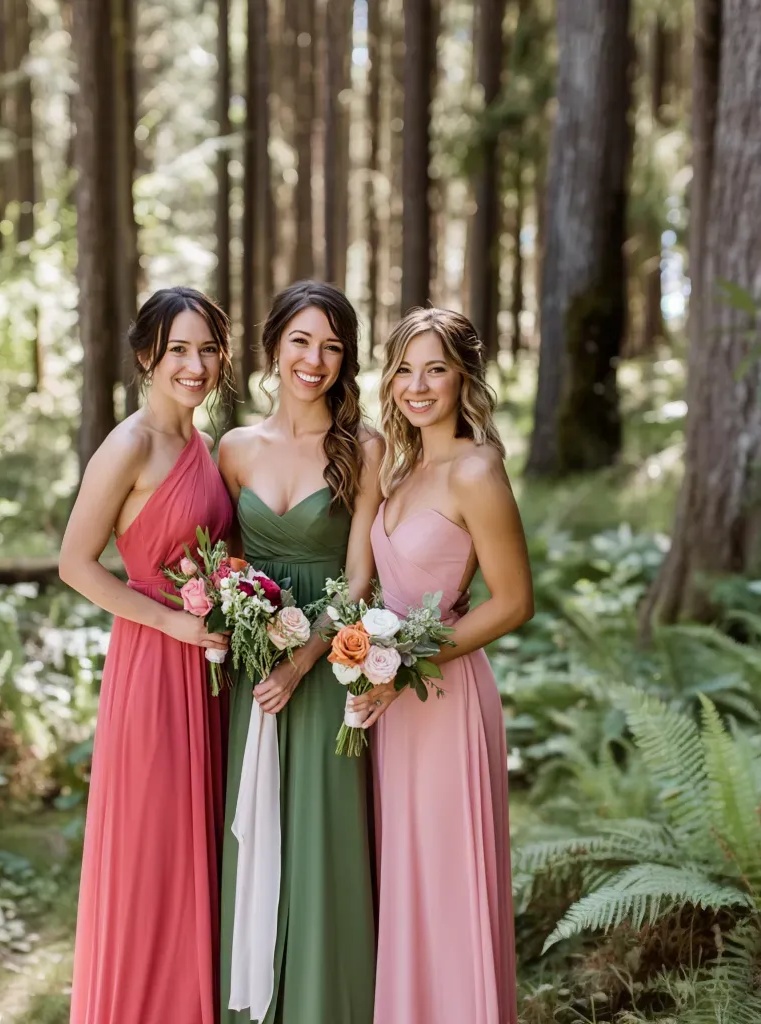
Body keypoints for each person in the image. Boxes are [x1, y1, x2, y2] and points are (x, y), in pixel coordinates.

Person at [350, 307, 534, 1024]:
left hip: (446, 695)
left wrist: (407, 663)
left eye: (436, 369)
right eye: (404, 369)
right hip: (391, 702)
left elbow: (514, 602)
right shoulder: (400, 468)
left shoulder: (476, 470)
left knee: (448, 882)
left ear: (464, 378)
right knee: (404, 877)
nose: (417, 385)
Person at [59, 287, 235, 1024]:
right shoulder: (128, 444)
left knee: (206, 850)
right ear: (145, 358)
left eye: (207, 350)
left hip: (211, 669)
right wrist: (172, 625)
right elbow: (76, 563)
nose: (194, 366)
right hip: (153, 664)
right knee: (153, 853)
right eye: (177, 351)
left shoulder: (207, 446)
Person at [217, 280, 383, 1024]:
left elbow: (359, 577)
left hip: (325, 667)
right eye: (301, 341)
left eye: (332, 346)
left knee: (320, 839)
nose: (314, 360)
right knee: (249, 832)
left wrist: (304, 659)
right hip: (252, 669)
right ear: (273, 345)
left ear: (345, 360)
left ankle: (322, 1004)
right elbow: (223, 560)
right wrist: (240, 625)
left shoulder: (363, 450)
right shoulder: (234, 448)